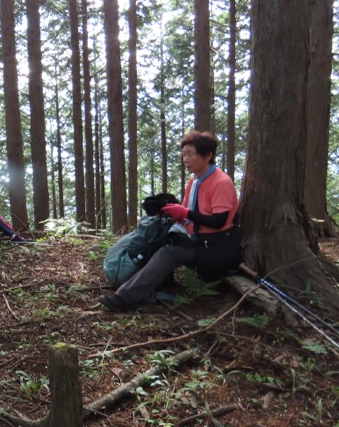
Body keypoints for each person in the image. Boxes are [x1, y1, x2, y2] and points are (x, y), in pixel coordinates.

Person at [99, 130, 239, 311]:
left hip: (216, 246)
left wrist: (185, 213)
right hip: (198, 239)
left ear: (208, 156)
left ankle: (124, 299)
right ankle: (159, 284)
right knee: (158, 232)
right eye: (183, 155)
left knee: (170, 252)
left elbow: (219, 222)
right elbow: (186, 212)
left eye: (190, 154)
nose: (185, 159)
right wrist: (169, 212)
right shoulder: (195, 180)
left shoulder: (221, 182)